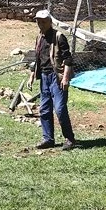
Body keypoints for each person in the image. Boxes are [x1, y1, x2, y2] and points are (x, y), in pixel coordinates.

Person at [29, 9, 75, 151]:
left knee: (60, 109)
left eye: (43, 21)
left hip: (57, 77)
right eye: (38, 22)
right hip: (44, 76)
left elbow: (68, 59)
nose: (41, 24)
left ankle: (69, 138)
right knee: (44, 109)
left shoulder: (59, 36)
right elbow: (37, 58)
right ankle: (48, 139)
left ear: (50, 22)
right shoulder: (39, 38)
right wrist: (31, 75)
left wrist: (66, 78)